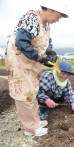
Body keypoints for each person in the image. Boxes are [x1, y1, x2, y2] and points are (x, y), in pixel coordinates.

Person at [5, 0, 69, 136]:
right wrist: (40, 58)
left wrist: (50, 51)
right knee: (24, 92)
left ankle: (34, 120)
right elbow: (21, 42)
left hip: (30, 61)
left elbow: (45, 41)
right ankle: (31, 128)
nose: (58, 20)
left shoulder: (45, 24)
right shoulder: (32, 18)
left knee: (33, 89)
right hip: (19, 59)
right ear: (50, 10)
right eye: (58, 16)